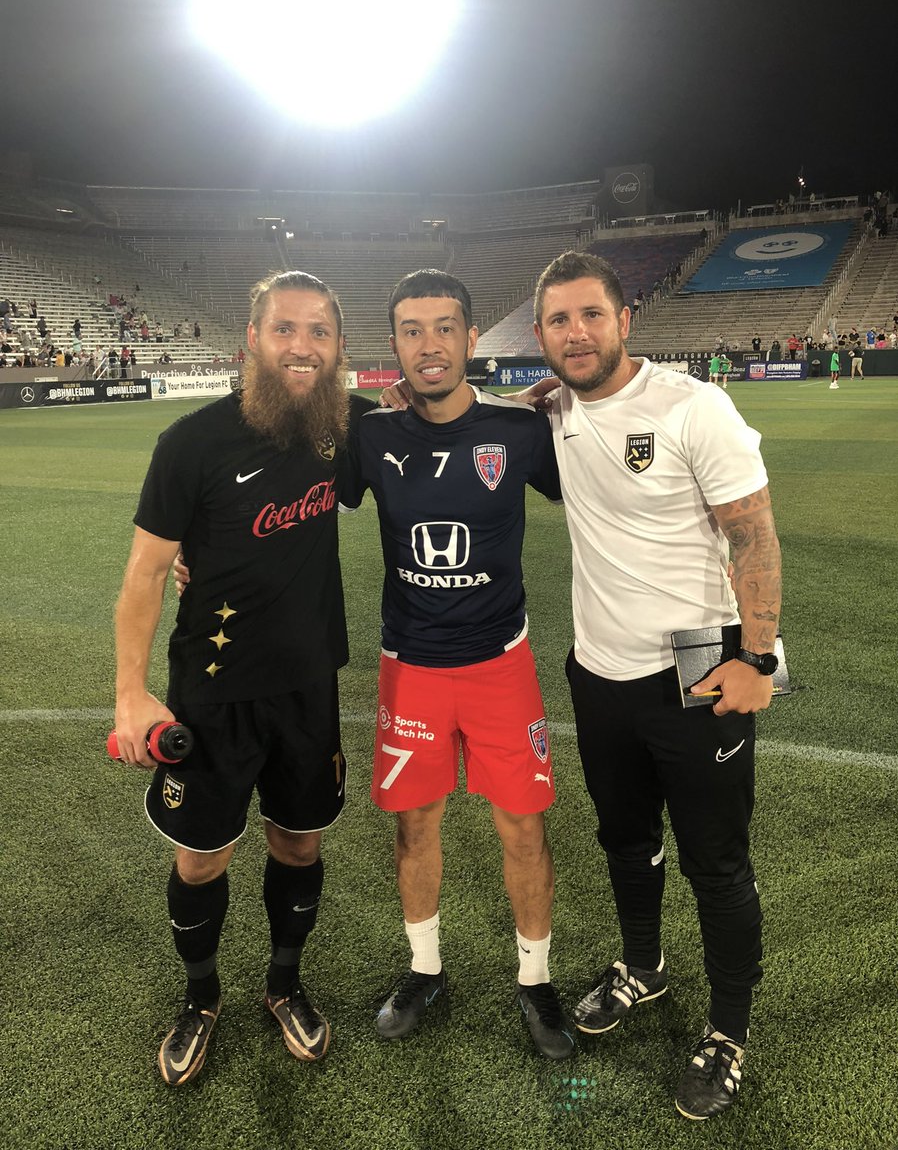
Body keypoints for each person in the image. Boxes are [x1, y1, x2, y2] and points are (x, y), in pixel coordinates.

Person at [526, 250, 782, 1121]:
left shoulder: (690, 407)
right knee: (624, 840)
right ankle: (644, 967)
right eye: (560, 320)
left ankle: (728, 1030)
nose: (577, 332)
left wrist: (759, 658)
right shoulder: (552, 408)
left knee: (717, 861)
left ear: (625, 318)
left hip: (699, 666)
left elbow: (753, 536)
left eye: (591, 314)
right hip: (597, 671)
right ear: (541, 336)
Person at [112, 270, 370, 1085]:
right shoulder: (189, 443)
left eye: (320, 332)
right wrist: (129, 691)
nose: (303, 346)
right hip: (213, 692)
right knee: (202, 858)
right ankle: (200, 997)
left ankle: (285, 986)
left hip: (308, 688)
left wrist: (541, 400)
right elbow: (146, 575)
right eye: (286, 329)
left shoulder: (344, 430)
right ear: (251, 341)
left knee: (299, 842)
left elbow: (439, 424)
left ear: (336, 350)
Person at [345, 270, 574, 1060]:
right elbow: (295, 504)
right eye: (412, 330)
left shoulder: (519, 433)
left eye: (445, 327)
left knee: (524, 826)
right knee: (415, 826)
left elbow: (599, 485)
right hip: (409, 667)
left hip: (500, 666)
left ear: (473, 338)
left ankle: (536, 981)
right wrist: (195, 559)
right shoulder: (370, 438)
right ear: (395, 345)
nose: (430, 344)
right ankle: (425, 969)